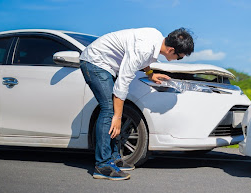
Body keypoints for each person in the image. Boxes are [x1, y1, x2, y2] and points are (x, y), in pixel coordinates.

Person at [79, 27, 194, 180]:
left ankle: (114, 159)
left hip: (108, 66)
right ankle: (103, 165)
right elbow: (123, 82)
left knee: (114, 109)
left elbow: (142, 60)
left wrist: (150, 74)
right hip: (95, 62)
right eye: (180, 57)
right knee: (109, 110)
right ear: (172, 50)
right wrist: (118, 118)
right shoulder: (144, 49)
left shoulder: (155, 38)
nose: (179, 59)